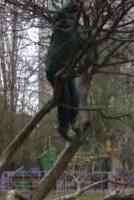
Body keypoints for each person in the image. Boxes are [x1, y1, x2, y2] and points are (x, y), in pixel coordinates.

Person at [45, 0, 89, 141]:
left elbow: (87, 43)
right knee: (65, 99)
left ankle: (72, 123)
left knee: (74, 100)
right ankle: (63, 127)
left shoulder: (80, 30)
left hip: (67, 71)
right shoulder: (62, 21)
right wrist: (76, 3)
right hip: (54, 69)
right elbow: (59, 13)